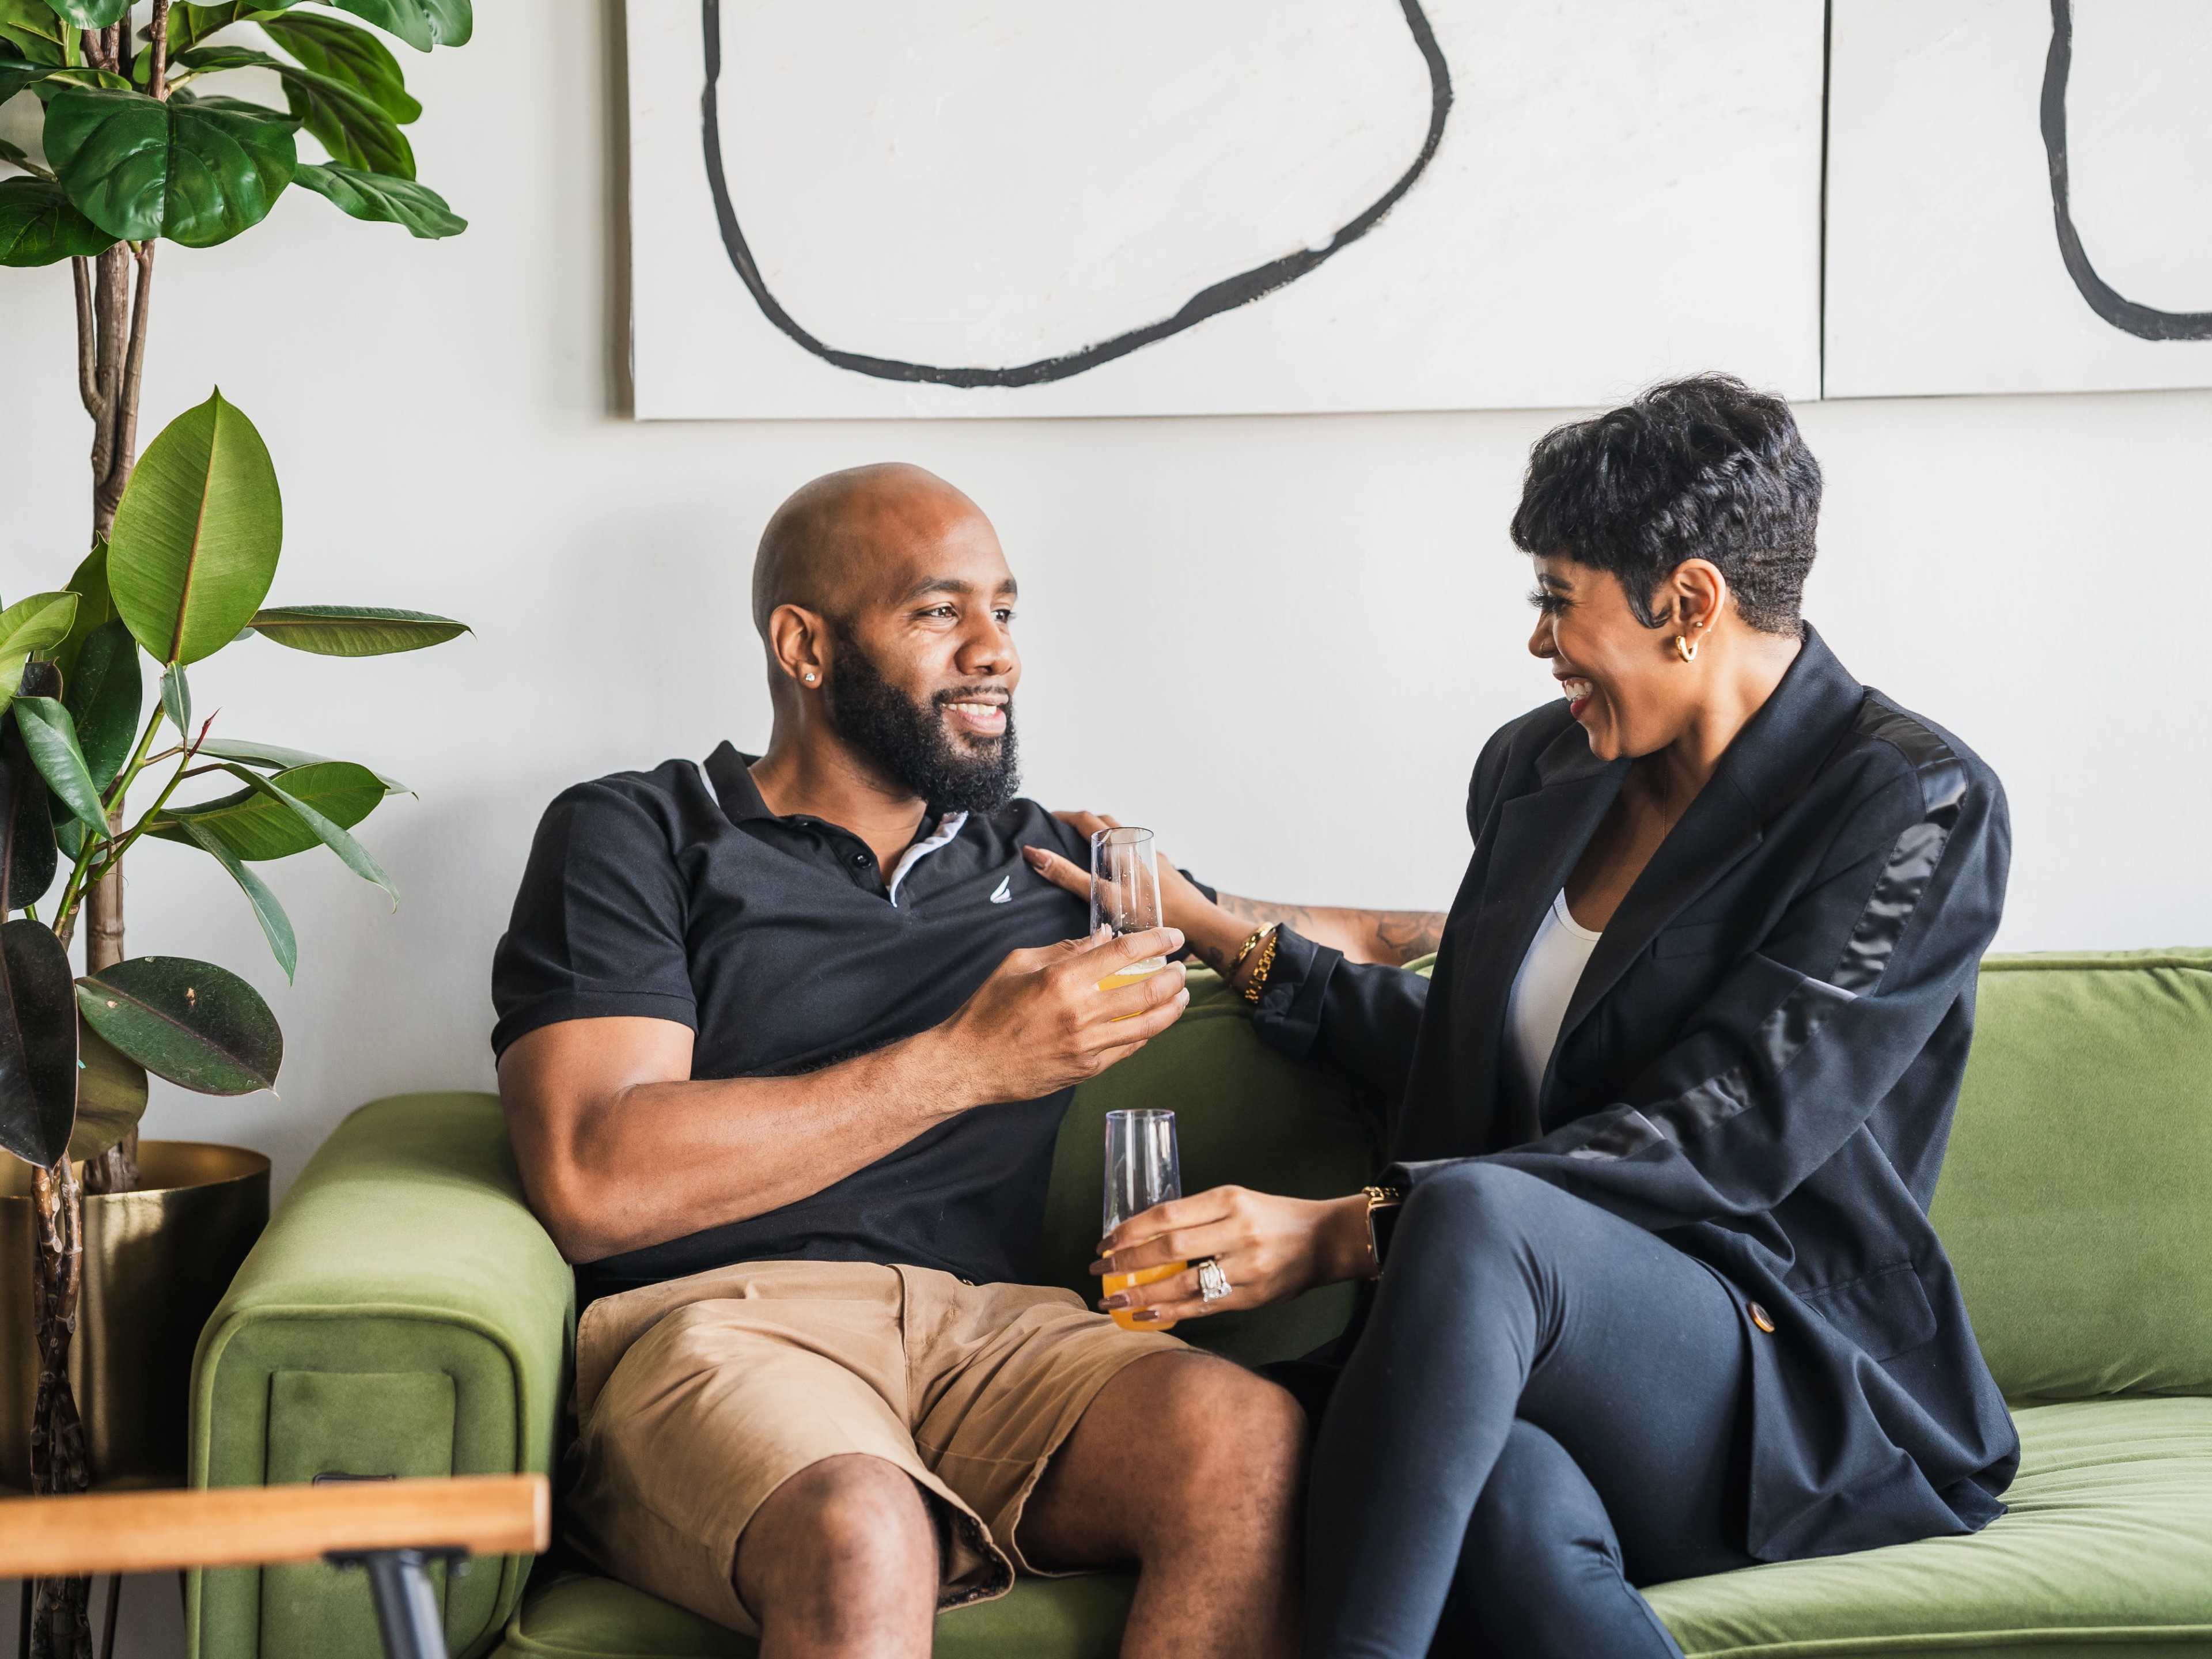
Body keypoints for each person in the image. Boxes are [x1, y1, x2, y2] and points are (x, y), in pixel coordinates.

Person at [1021, 377, 2019, 1657]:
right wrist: (1222, 932)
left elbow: (1730, 1129)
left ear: (1691, 605)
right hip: (1534, 1348)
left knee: (1476, 1216)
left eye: (1559, 599)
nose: (1540, 643)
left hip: (1787, 1364)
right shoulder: (1540, 770)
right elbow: (1478, 1057)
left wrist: (1351, 1230)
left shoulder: (1912, 802)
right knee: (1491, 1500)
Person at [491, 463, 1442, 1659]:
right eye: (940, 613)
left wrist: (1562, 946)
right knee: (861, 1532)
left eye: (1005, 610)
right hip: (723, 1328)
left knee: (1251, 1450)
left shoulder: (1047, 861)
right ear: (805, 645)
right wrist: (966, 1063)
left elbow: (1331, 938)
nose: (997, 651)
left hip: (996, 1331)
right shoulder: (641, 832)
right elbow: (594, 1182)